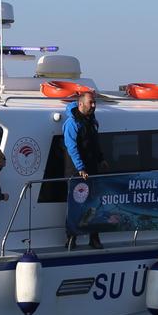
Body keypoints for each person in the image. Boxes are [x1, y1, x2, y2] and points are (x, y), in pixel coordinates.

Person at [63, 91, 108, 250]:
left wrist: (101, 159)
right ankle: (71, 239)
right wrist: (80, 167)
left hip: (92, 169)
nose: (94, 105)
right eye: (91, 103)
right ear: (81, 104)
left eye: (94, 103)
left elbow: (95, 144)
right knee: (76, 205)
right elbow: (71, 147)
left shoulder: (91, 120)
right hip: (76, 171)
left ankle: (94, 238)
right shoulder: (72, 123)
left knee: (94, 204)